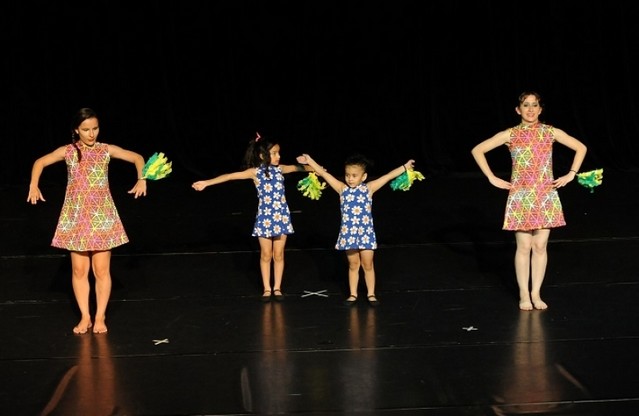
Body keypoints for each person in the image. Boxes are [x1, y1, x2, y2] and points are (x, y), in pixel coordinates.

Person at [27, 107, 148, 334]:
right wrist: (34, 184)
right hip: (76, 216)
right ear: (76, 130)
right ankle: (86, 316)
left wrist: (142, 179)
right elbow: (40, 162)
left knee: (101, 270)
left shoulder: (105, 150)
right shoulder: (68, 151)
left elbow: (137, 158)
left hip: (101, 215)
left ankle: (100, 316)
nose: (91, 134)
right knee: (79, 271)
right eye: (86, 129)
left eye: (95, 128)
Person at [471, 91, 587, 311]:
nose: (531, 109)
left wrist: (571, 173)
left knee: (540, 245)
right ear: (518, 109)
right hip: (522, 194)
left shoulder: (549, 132)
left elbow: (581, 147)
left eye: (535, 105)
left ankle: (536, 293)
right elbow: (478, 150)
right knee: (524, 246)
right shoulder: (511, 134)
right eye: (526, 105)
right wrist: (491, 177)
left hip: (545, 194)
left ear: (540, 109)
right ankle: (524, 294)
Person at [192, 133, 312, 302]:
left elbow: (301, 168)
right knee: (265, 254)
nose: (279, 156)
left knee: (278, 254)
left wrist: (315, 167)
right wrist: (207, 182)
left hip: (282, 218)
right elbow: (229, 176)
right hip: (264, 218)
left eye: (279, 152)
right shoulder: (255, 172)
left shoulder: (281, 169)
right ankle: (267, 288)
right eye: (275, 153)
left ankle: (277, 287)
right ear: (263, 155)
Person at [296, 153, 415, 307]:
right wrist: (310, 160)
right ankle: (353, 294)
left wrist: (405, 167)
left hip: (366, 235)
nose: (350, 178)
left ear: (363, 176)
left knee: (368, 264)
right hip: (349, 235)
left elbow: (387, 176)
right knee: (353, 265)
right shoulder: (341, 189)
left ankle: (371, 293)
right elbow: (324, 174)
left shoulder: (369, 188)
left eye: (354, 175)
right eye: (347, 175)